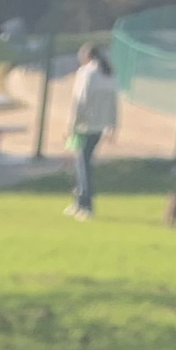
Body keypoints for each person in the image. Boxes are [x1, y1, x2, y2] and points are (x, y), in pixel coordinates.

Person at [67, 43, 117, 219]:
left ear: (86, 56)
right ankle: (80, 202)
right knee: (84, 163)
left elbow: (80, 101)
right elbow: (113, 103)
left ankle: (86, 205)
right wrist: (112, 126)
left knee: (83, 165)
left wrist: (72, 124)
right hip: (100, 126)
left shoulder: (86, 73)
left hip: (84, 125)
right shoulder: (108, 74)